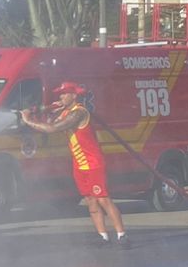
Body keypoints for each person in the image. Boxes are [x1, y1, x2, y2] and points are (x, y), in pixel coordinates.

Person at [20, 81, 130, 248]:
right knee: (90, 201)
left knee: (103, 200)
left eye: (65, 93)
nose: (61, 96)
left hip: (93, 164)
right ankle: (103, 237)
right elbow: (48, 113)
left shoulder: (78, 112)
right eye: (60, 94)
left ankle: (122, 235)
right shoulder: (65, 111)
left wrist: (28, 120)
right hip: (79, 164)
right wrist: (38, 110)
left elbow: (51, 128)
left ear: (74, 95)